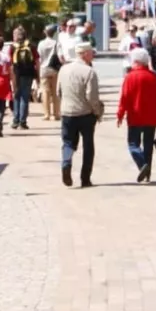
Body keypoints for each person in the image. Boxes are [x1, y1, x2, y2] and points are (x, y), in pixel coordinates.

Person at [117, 47, 156, 183]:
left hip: (135, 116)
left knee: (133, 144)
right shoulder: (154, 77)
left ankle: (142, 164)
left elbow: (125, 98)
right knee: (148, 146)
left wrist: (120, 114)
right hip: (151, 117)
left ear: (136, 61)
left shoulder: (130, 77)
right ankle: (147, 174)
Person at [56, 42, 103, 188]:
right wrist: (97, 111)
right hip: (85, 113)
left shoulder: (63, 69)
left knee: (68, 142)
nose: (93, 55)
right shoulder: (89, 72)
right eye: (91, 52)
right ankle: (85, 178)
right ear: (85, 54)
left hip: (67, 112)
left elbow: (58, 92)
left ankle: (66, 163)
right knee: (88, 145)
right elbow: (92, 97)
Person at [9, 26, 38, 130]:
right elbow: (37, 61)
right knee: (25, 98)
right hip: (28, 74)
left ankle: (15, 121)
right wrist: (37, 75)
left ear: (16, 36)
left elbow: (10, 63)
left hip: (16, 74)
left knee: (16, 96)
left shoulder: (12, 47)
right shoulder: (31, 46)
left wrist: (11, 76)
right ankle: (23, 122)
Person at [37, 23, 62, 120]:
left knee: (45, 92)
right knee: (55, 92)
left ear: (45, 33)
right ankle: (56, 114)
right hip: (54, 69)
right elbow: (59, 55)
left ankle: (46, 114)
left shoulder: (41, 43)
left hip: (44, 68)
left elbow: (39, 57)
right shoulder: (56, 43)